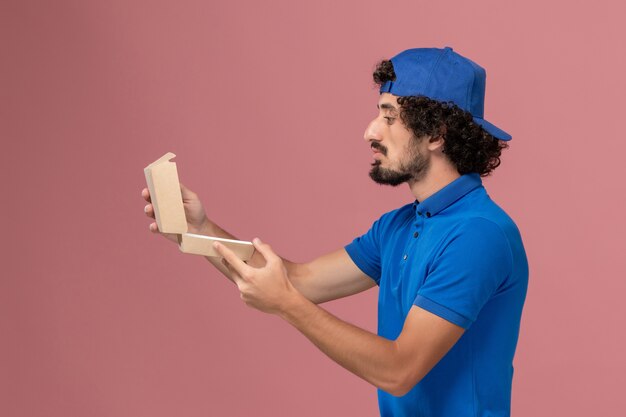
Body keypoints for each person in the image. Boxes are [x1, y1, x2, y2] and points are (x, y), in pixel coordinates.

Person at [141, 46, 528, 417]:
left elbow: (399, 370)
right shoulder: (399, 225)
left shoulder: (479, 235)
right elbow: (297, 279)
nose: (370, 132)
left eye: (390, 117)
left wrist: (288, 306)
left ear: (435, 134)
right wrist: (199, 231)